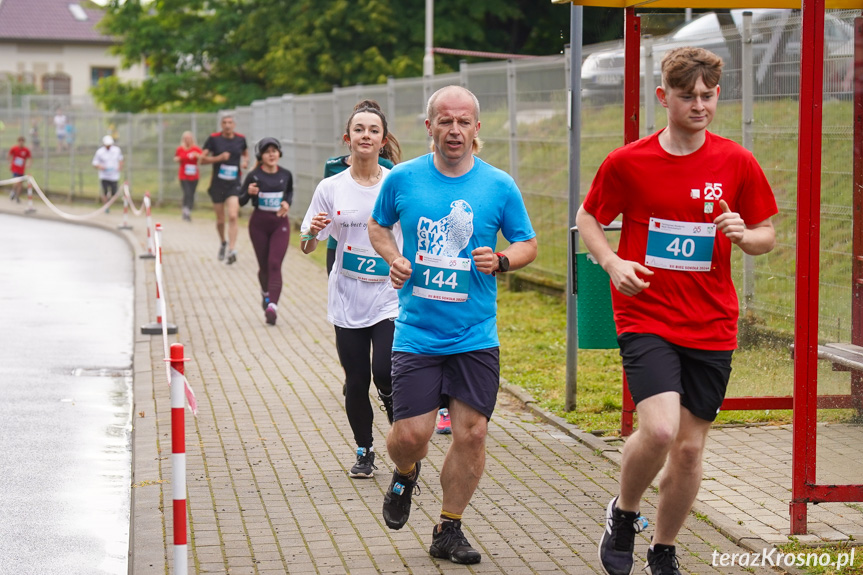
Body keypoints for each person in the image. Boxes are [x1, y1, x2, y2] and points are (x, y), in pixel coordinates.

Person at [575, 47, 778, 575]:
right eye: (687, 96)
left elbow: (766, 235)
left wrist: (745, 235)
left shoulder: (736, 161)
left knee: (688, 451)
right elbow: (589, 217)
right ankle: (623, 513)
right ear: (664, 97)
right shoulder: (629, 162)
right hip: (647, 315)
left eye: (708, 96)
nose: (699, 105)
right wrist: (613, 262)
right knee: (661, 430)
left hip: (711, 322)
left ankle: (663, 548)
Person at [368, 85, 537, 565]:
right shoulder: (402, 178)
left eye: (464, 121)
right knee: (410, 438)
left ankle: (449, 527)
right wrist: (394, 257)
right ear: (430, 127)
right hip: (419, 333)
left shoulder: (498, 185)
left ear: (477, 128)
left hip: (474, 335)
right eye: (445, 120)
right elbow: (378, 226)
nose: (455, 129)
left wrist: (502, 259)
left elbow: (527, 242)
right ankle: (404, 474)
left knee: (473, 433)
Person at [301, 100, 401, 479]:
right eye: (359, 129)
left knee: (386, 374)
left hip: (388, 296)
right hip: (347, 296)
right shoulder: (331, 187)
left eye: (373, 130)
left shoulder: (397, 183)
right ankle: (365, 449)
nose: (365, 136)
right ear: (348, 138)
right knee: (356, 381)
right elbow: (308, 244)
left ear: (383, 140)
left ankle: (403, 438)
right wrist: (311, 233)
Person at [238, 137, 293, 325]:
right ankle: (265, 293)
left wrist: (287, 203)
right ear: (260, 155)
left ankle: (272, 307)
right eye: (267, 151)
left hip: (280, 224)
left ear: (279, 153)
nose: (271, 154)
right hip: (259, 224)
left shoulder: (286, 174)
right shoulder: (254, 175)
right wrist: (249, 193)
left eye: (274, 151)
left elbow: (289, 193)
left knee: (274, 263)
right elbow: (241, 200)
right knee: (263, 267)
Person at [200, 114, 248, 264]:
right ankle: (223, 242)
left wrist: (245, 161)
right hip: (217, 184)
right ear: (221, 124)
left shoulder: (240, 139)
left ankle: (232, 249)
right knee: (221, 220)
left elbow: (245, 153)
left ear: (234, 125)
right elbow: (201, 159)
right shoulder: (214, 139)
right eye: (224, 122)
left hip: (234, 183)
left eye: (230, 122)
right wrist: (218, 158)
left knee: (233, 216)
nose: (227, 125)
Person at [174, 131, 203, 221]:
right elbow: (175, 158)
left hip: (194, 176)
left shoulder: (196, 149)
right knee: (187, 193)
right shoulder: (180, 149)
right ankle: (185, 211)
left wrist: (197, 155)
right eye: (186, 138)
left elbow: (203, 158)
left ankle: (188, 211)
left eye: (189, 138)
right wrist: (179, 158)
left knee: (192, 194)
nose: (187, 140)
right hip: (183, 175)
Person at [92, 135, 124, 208]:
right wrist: (100, 166)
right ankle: (106, 206)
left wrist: (120, 166)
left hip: (114, 175)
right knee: (105, 191)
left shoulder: (116, 150)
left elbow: (121, 159)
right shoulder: (100, 152)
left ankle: (109, 201)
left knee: (114, 192)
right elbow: (94, 162)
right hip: (104, 175)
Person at [8, 136, 31, 202]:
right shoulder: (14, 148)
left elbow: (30, 158)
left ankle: (17, 196)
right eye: (20, 141)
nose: (21, 143)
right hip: (15, 168)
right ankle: (13, 192)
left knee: (20, 184)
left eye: (22, 141)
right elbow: (9, 155)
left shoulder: (25, 150)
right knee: (16, 182)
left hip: (21, 169)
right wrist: (10, 163)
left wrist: (28, 164)